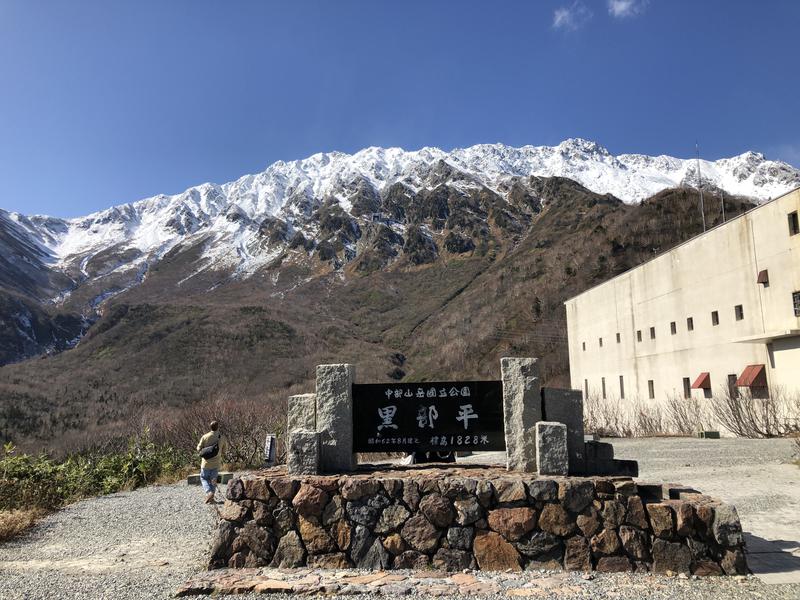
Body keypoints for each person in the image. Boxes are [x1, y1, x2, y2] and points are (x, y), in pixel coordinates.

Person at [196, 421, 225, 504]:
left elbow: (198, 448)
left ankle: (209, 492)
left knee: (204, 478)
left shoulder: (205, 437)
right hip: (216, 463)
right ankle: (212, 496)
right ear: (218, 427)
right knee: (213, 480)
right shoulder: (222, 437)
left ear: (210, 427)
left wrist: (204, 450)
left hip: (206, 463)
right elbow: (224, 450)